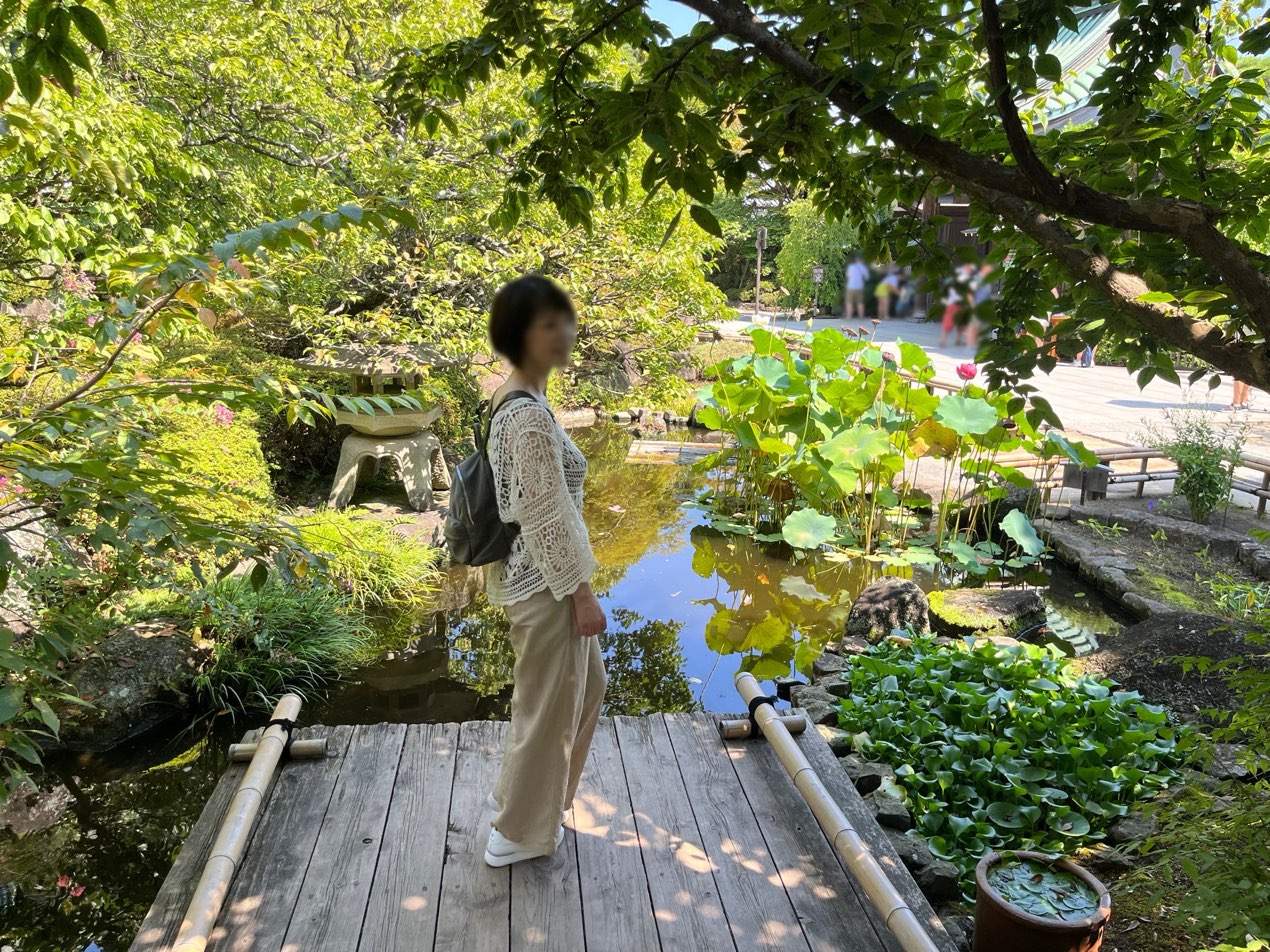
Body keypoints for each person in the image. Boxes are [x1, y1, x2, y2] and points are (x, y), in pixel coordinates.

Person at [484, 274, 608, 868]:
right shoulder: (527, 416)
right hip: (548, 586)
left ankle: (538, 803)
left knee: (585, 690)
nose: (563, 336)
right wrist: (582, 594)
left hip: (541, 578)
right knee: (546, 712)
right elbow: (546, 513)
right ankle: (515, 833)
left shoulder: (522, 398)